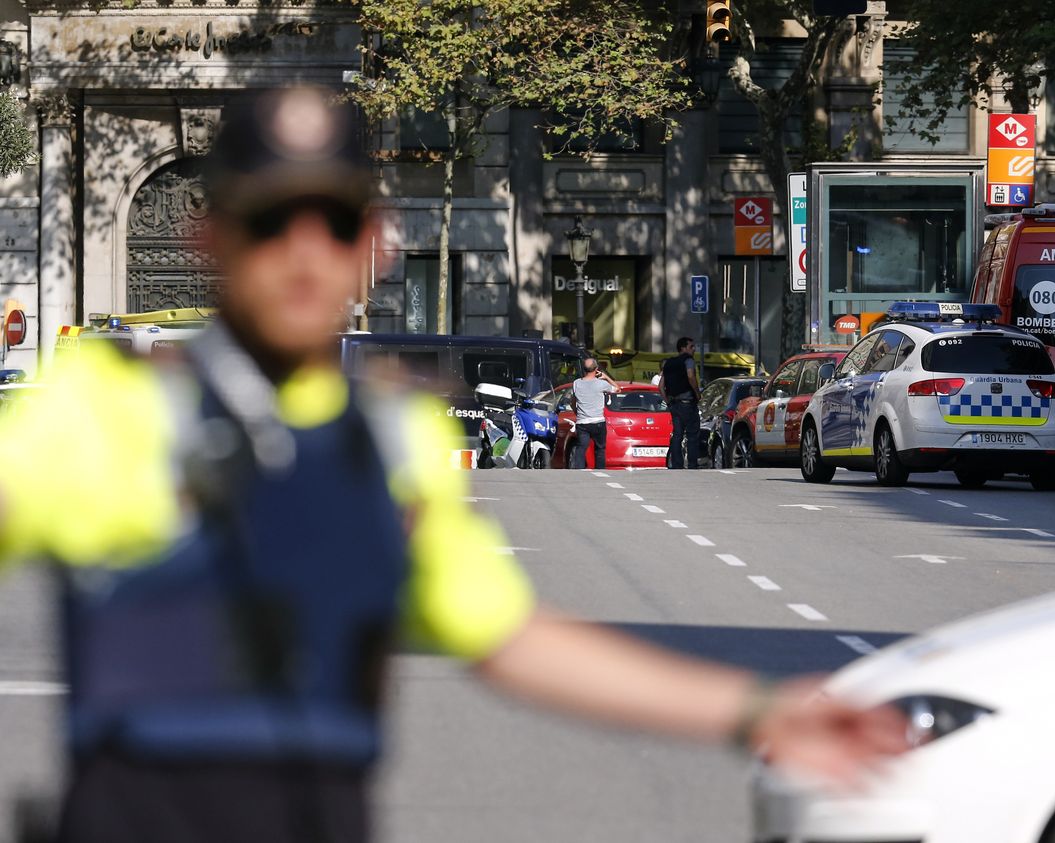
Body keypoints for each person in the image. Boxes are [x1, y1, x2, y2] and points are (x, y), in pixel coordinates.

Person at [0, 88, 904, 843]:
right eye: (271, 218)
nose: (305, 250)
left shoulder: (394, 440)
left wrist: (756, 711)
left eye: (334, 217)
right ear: (214, 239)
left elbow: (511, 639)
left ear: (374, 240)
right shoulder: (105, 408)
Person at [571, 356, 619, 469]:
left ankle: (579, 471)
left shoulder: (576, 383)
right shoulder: (601, 384)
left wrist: (577, 413)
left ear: (583, 369)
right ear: (596, 369)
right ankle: (600, 470)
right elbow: (617, 389)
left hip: (582, 422)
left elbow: (572, 402)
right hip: (598, 421)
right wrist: (606, 377)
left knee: (581, 447)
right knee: (600, 449)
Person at [660, 336, 701, 469]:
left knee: (677, 434)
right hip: (687, 403)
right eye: (691, 347)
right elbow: (690, 376)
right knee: (692, 434)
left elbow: (660, 386)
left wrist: (668, 401)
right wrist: (697, 393)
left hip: (674, 404)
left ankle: (677, 464)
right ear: (683, 348)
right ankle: (692, 464)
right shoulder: (688, 360)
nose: (694, 349)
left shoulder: (668, 363)